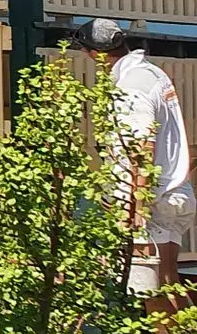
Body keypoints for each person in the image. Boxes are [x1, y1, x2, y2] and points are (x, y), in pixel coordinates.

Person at [73, 17, 195, 305]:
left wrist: (134, 208)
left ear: (96, 54)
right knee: (168, 282)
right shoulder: (151, 73)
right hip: (171, 194)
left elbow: (141, 146)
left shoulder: (131, 86)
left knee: (151, 293)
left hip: (150, 202)